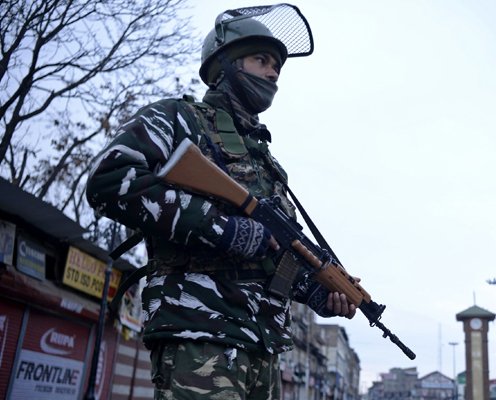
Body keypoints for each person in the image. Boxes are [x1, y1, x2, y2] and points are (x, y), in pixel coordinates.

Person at [86, 4, 356, 399]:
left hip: (264, 350)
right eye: (261, 59)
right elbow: (109, 180)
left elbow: (271, 259)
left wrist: (319, 294)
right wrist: (224, 228)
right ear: (225, 64)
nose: (273, 72)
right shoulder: (178, 120)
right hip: (201, 335)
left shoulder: (268, 165)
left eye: (277, 66)